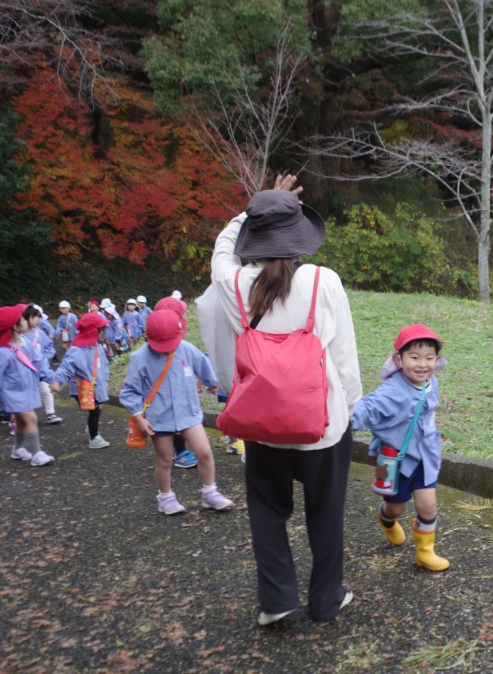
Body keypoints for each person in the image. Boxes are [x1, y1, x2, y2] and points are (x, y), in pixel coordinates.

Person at [197, 176, 361, 626]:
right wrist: (348, 409)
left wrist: (250, 209)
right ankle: (326, 599)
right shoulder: (324, 281)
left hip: (262, 425)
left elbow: (221, 250)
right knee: (326, 514)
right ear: (299, 237)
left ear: (253, 238)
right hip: (323, 426)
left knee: (267, 511)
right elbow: (344, 357)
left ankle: (276, 600)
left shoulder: (233, 284)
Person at [352, 324, 450, 572]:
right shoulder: (392, 391)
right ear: (398, 359)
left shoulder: (431, 382)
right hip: (396, 462)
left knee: (428, 505)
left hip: (425, 458)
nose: (422, 364)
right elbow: (367, 408)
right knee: (397, 507)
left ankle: (425, 552)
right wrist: (342, 417)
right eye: (414, 357)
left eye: (429, 358)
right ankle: (386, 519)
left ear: (437, 359)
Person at [119, 309, 234, 515]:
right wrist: (139, 417)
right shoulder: (140, 357)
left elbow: (204, 366)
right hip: (159, 417)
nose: (166, 350)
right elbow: (129, 391)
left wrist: (212, 383)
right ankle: (165, 498)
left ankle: (210, 492)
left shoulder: (187, 349)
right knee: (165, 459)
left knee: (204, 453)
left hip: (188, 412)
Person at [0, 305, 56, 466]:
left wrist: (50, 378)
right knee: (31, 418)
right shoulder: (1, 352)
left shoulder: (24, 342)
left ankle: (17, 449)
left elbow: (38, 361)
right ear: (14, 327)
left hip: (26, 389)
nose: (25, 321)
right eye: (22, 319)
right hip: (11, 392)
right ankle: (36, 454)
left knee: (21, 421)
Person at [54, 311, 110, 448]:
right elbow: (66, 367)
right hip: (84, 387)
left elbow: (104, 365)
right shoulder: (77, 350)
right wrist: (56, 380)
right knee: (95, 410)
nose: (103, 332)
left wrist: (106, 380)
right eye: (101, 330)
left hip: (97, 385)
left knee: (98, 407)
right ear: (93, 331)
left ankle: (91, 428)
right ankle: (94, 438)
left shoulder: (97, 346)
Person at [154, 296, 198, 469]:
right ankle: (179, 453)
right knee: (176, 420)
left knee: (176, 420)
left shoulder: (180, 345)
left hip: (174, 392)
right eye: (181, 314)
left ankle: (174, 450)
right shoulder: (170, 346)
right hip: (169, 393)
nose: (184, 317)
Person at [20, 305, 63, 426]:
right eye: (34, 317)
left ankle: (51, 413)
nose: (37, 320)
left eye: (37, 317)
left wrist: (44, 357)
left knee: (46, 390)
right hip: (26, 371)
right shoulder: (20, 337)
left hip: (41, 368)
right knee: (27, 393)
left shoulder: (40, 334)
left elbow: (50, 347)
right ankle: (24, 417)